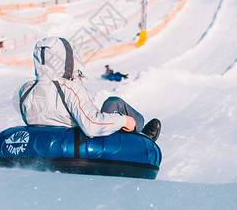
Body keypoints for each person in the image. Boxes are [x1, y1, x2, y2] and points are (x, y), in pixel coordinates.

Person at [18, 37, 161, 141]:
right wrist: (124, 121)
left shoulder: (25, 90)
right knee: (114, 103)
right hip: (78, 144)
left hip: (46, 142)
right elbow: (91, 125)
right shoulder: (70, 89)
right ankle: (142, 137)